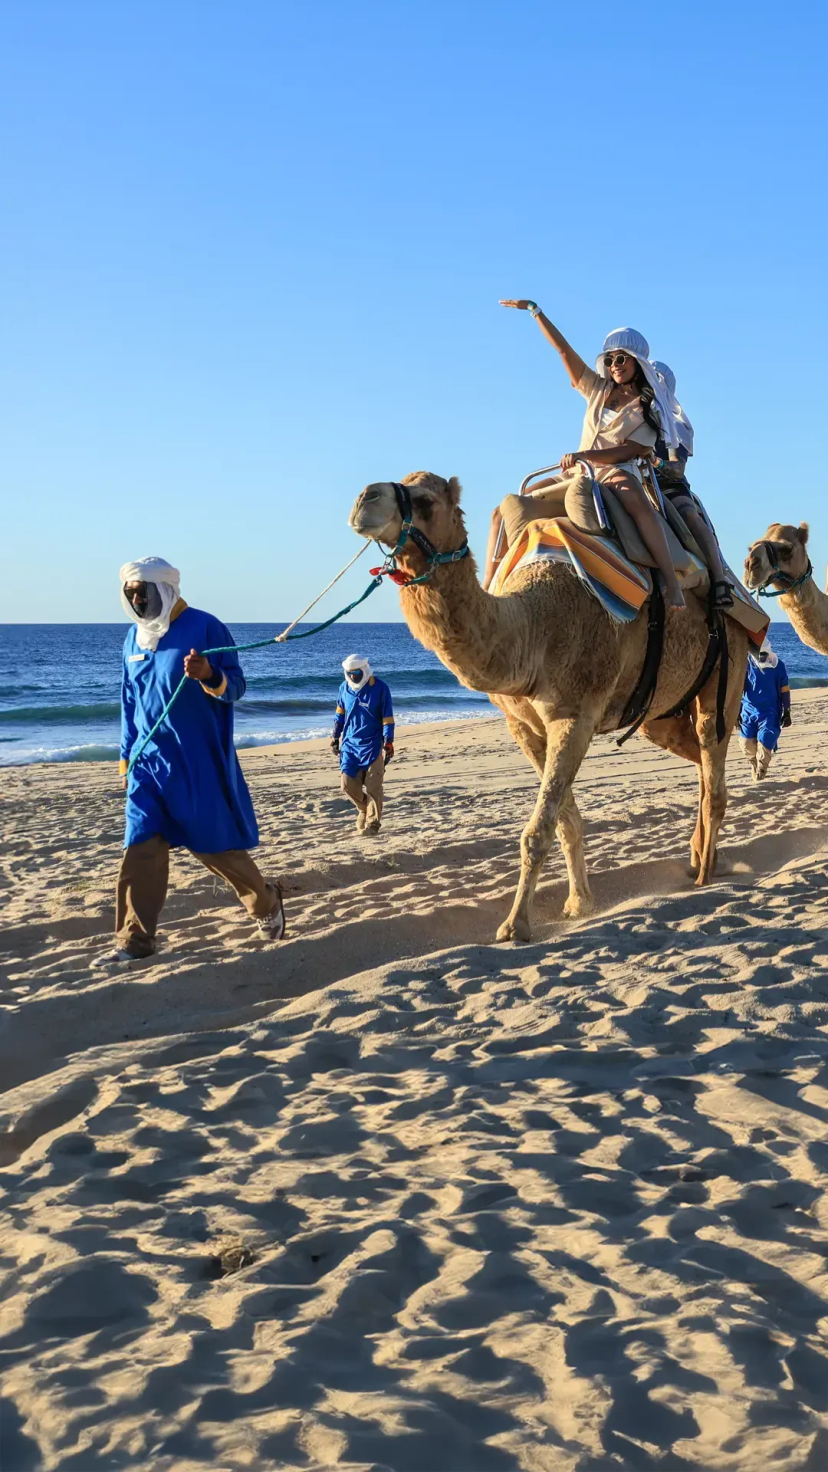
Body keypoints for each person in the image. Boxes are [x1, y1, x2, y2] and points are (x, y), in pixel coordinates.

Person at [95, 556, 285, 966]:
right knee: (140, 845)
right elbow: (130, 702)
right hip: (148, 764)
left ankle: (266, 902)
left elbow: (236, 687)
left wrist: (209, 674)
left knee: (213, 847)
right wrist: (126, 757)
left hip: (195, 761)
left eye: (142, 592)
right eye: (130, 593)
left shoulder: (206, 627)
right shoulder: (132, 638)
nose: (136, 600)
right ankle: (134, 941)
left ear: (163, 590)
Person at [485, 307, 686, 610]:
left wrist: (584, 455)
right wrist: (536, 312)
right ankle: (489, 586)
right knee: (503, 510)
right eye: (610, 359)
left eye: (621, 359)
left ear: (637, 362)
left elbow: (627, 451)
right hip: (577, 471)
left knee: (637, 502)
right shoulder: (597, 389)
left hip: (615, 471)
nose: (614, 365)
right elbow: (564, 351)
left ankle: (672, 581)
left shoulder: (649, 409)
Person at [651, 360, 733, 608]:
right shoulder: (626, 416)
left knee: (689, 515)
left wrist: (655, 461)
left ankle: (720, 580)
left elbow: (677, 470)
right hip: (631, 480)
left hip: (668, 487)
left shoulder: (675, 425)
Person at [331, 654, 394, 835]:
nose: (353, 676)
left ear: (364, 670)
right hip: (350, 745)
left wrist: (389, 741)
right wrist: (335, 737)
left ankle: (373, 824)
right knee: (347, 784)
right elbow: (339, 715)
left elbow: (388, 718)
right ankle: (364, 808)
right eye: (349, 673)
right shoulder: (344, 688)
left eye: (356, 673)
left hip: (373, 745)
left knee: (374, 787)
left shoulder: (380, 688)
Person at [739, 638, 791, 780]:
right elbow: (739, 688)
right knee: (746, 743)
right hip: (748, 710)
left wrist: (787, 711)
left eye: (763, 654)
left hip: (770, 711)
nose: (761, 656)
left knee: (766, 740)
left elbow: (785, 690)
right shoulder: (747, 664)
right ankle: (754, 764)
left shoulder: (778, 666)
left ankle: (761, 772)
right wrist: (736, 711)